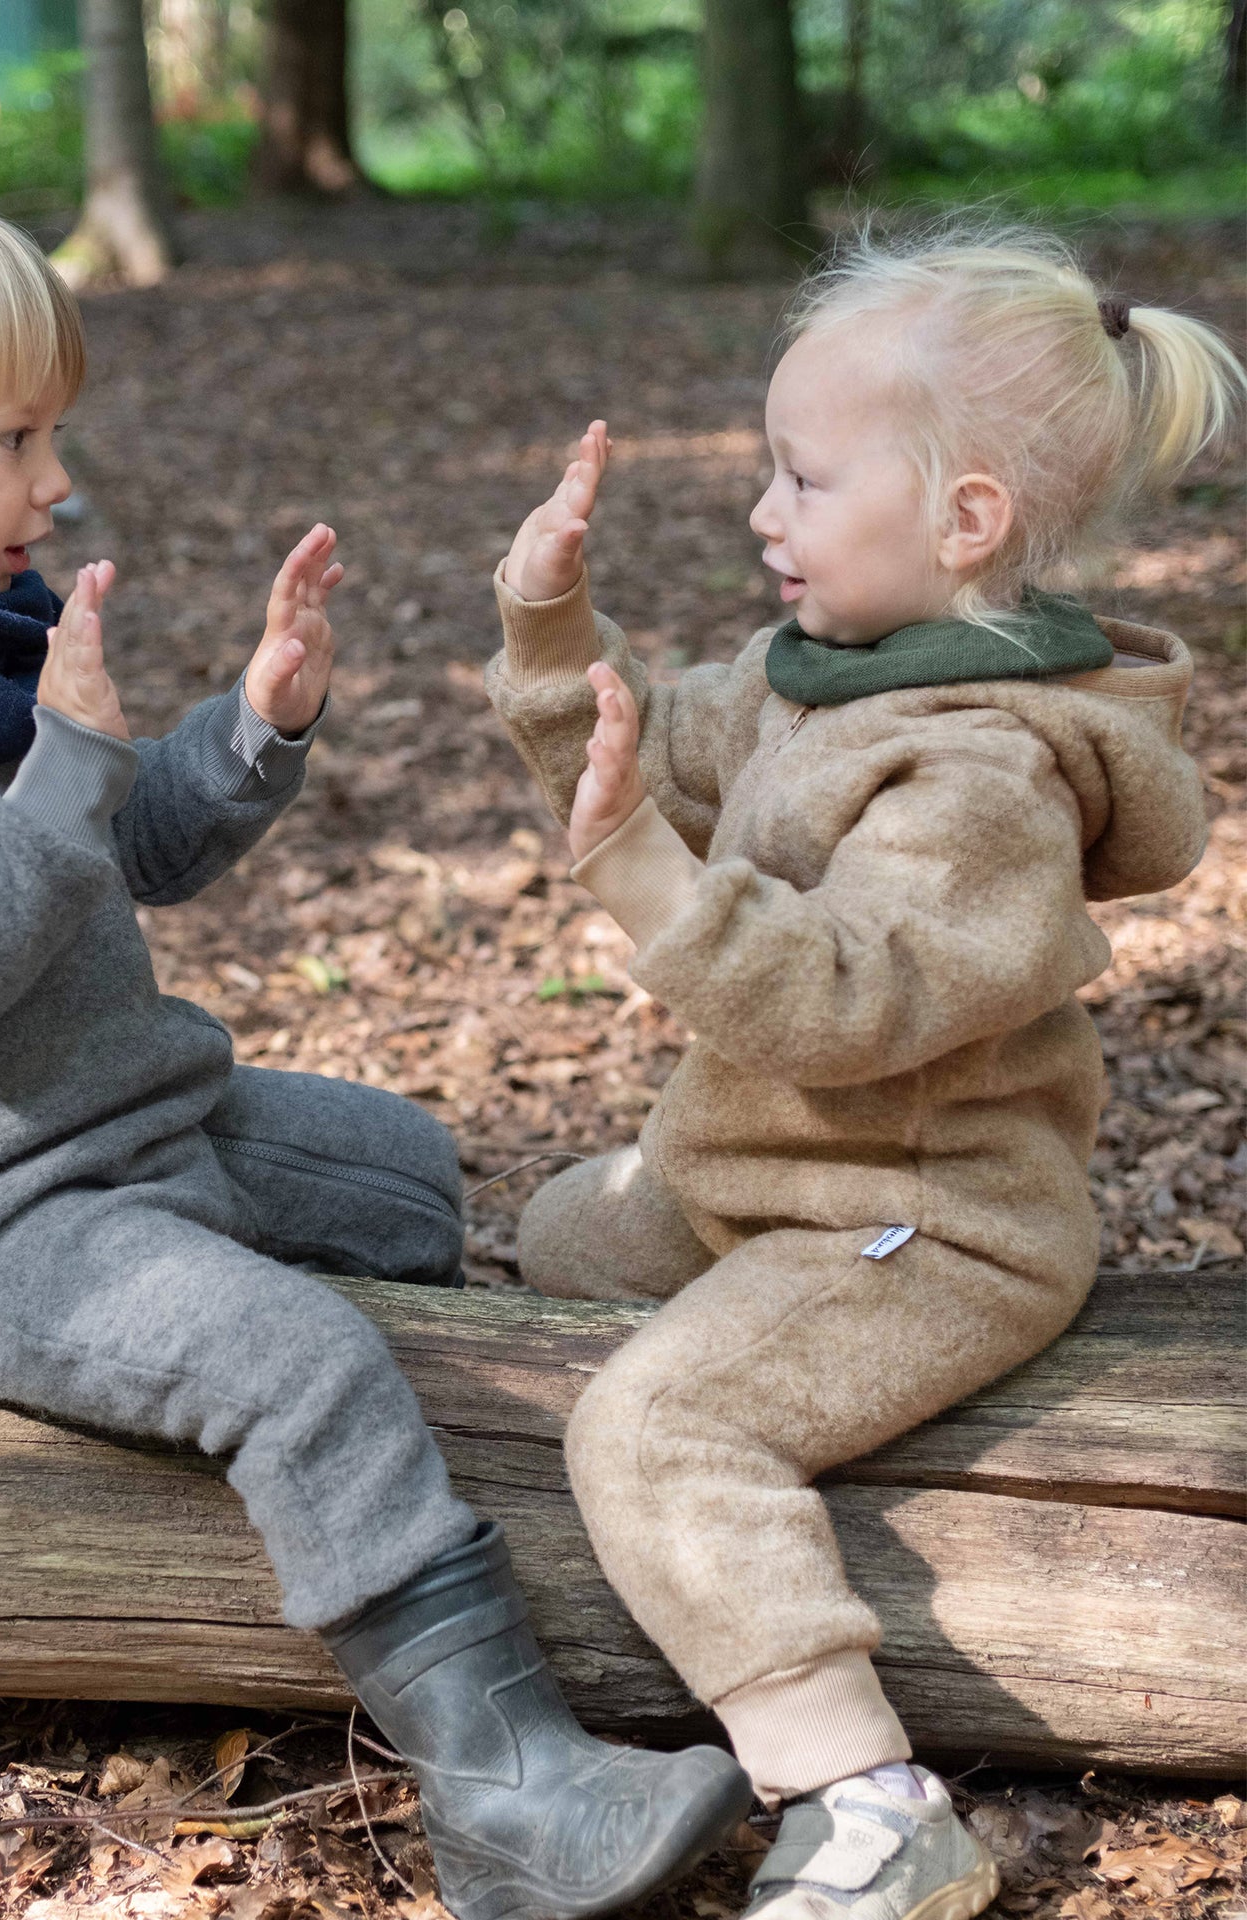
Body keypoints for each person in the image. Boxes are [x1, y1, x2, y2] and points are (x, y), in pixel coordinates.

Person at [0, 163, 750, 1920]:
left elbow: (121, 857)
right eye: (13, 439)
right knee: (301, 1363)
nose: (56, 478)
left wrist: (246, 724)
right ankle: (503, 1796)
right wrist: (71, 763)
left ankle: (474, 1448)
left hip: (125, 1114)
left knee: (402, 1179)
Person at [485, 223, 1243, 1920]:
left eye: (805, 479)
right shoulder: (811, 672)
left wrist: (646, 886)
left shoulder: (987, 776)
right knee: (561, 1236)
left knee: (655, 1424)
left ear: (965, 519)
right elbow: (647, 758)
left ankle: (868, 1798)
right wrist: (552, 637)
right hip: (761, 1176)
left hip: (926, 1221)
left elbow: (852, 1003)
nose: (766, 511)